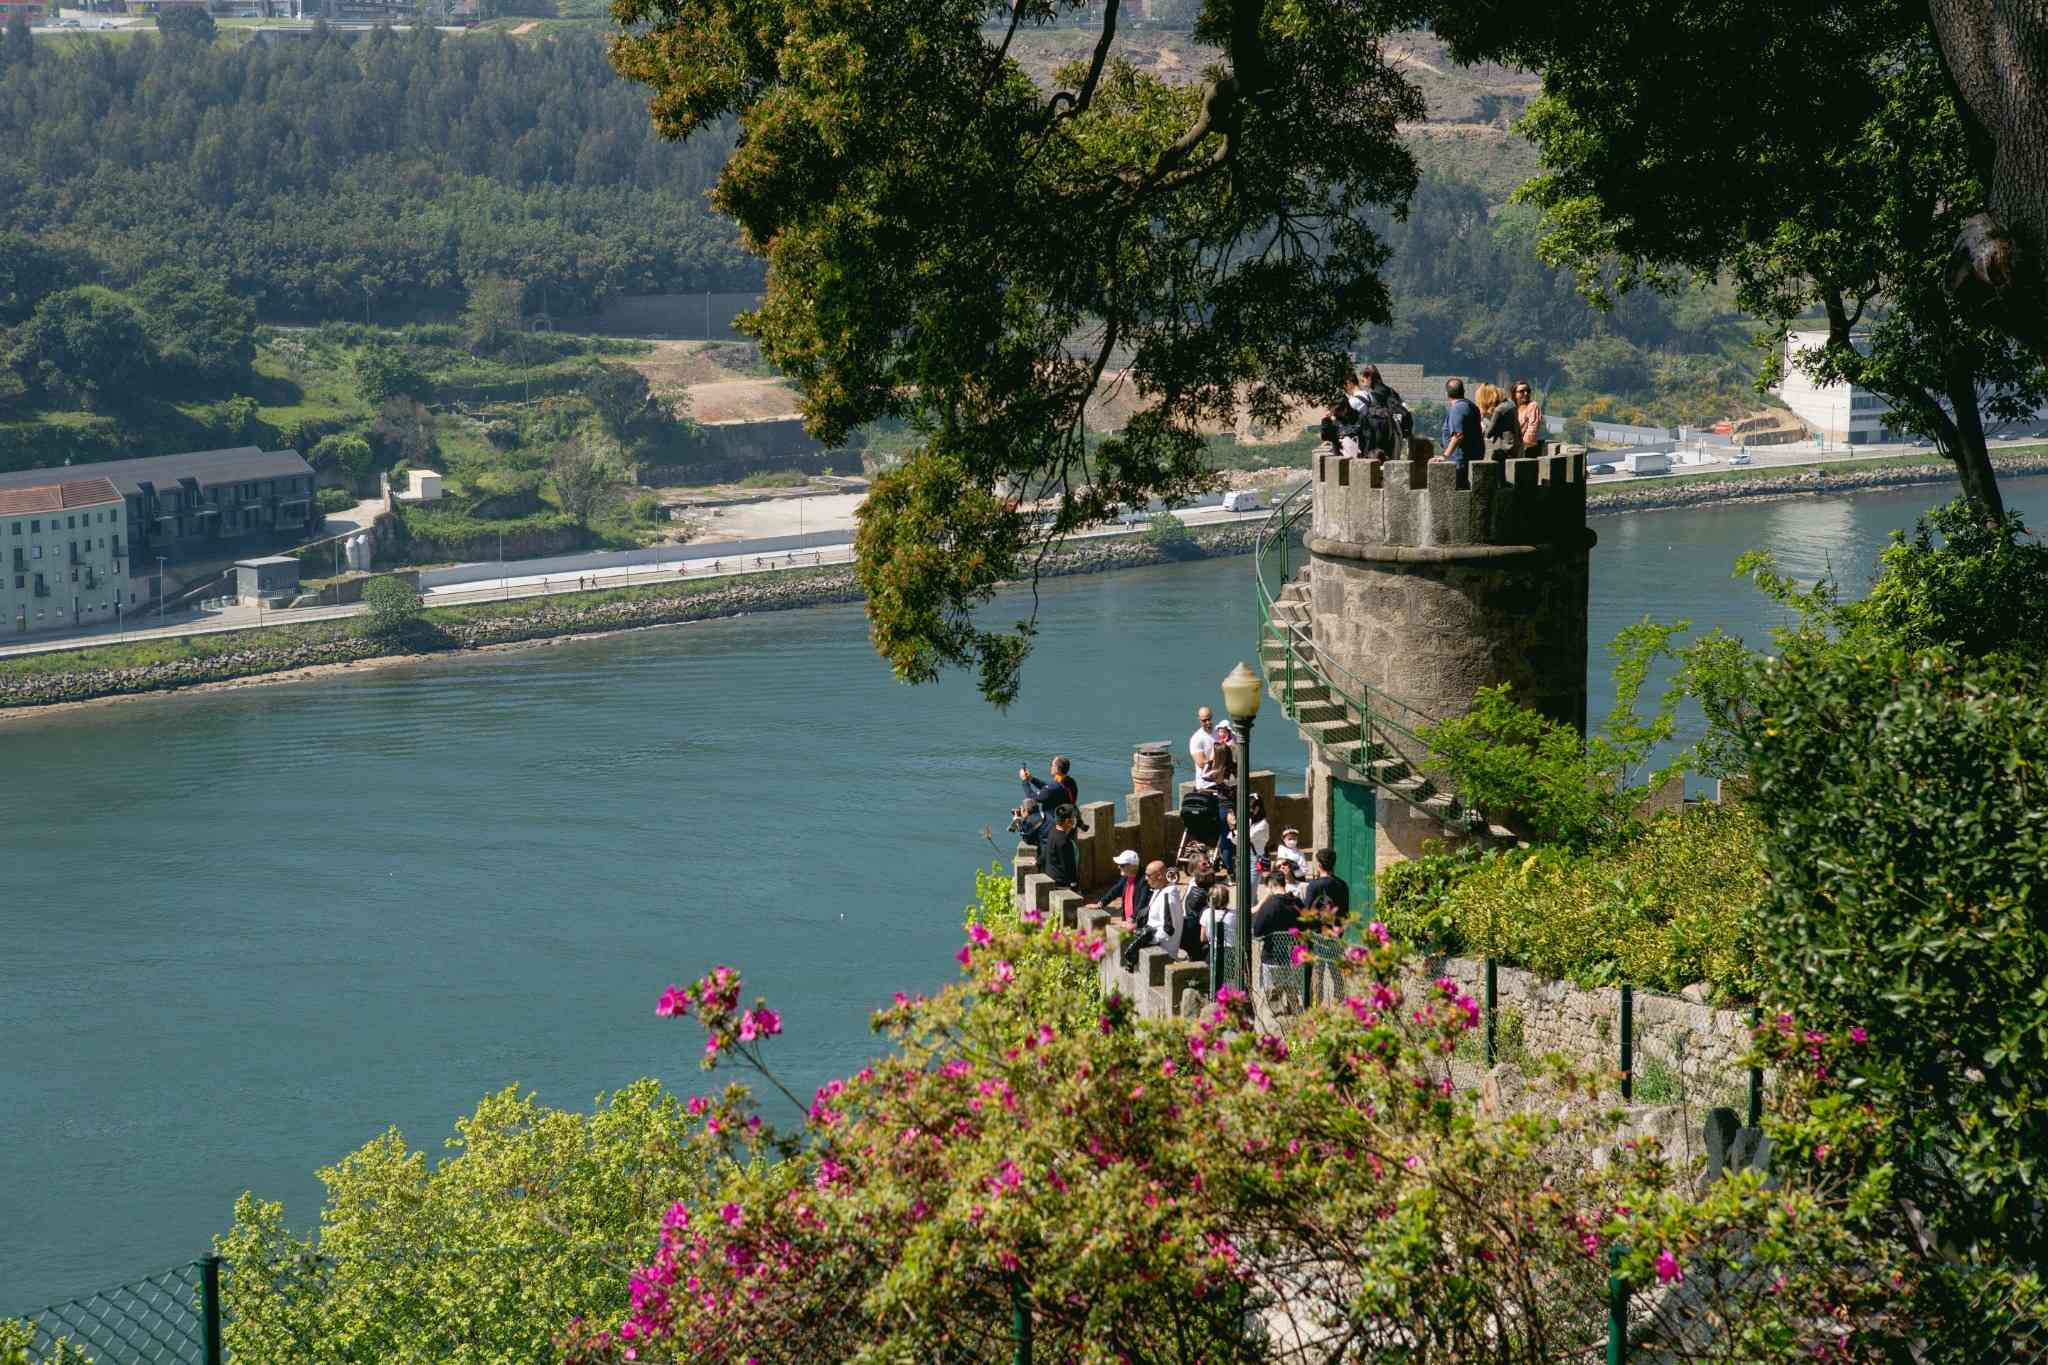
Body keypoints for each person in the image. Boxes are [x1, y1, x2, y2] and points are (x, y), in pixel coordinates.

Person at [1120, 859, 1187, 969]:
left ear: (1159, 876)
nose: (1146, 879)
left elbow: (1168, 929)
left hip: (1163, 954)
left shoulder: (1168, 896)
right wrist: (1137, 926)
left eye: (1148, 875)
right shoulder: (1159, 890)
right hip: (1156, 949)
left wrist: (1145, 940)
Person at [1301, 847, 1351, 927]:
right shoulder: (1343, 884)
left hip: (1318, 934)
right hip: (1336, 931)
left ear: (1319, 864)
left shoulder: (1313, 885)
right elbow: (1345, 913)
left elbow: (1306, 913)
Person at [1439, 378, 1483, 469]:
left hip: (1459, 461)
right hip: (1471, 457)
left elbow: (1458, 435)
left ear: (1447, 394)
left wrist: (1445, 456)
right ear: (1463, 391)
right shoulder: (1471, 406)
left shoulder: (1457, 409)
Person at [1249, 867, 1304, 939]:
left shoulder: (1269, 905)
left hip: (1273, 947)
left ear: (1270, 885)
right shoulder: (1297, 901)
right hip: (1295, 946)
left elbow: (1257, 931)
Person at [1096, 849, 1144, 924]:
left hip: (1138, 923)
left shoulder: (1144, 881)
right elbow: (1115, 890)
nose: (1119, 867)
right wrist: (1101, 903)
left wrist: (1133, 918)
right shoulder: (1127, 877)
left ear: (1132, 866)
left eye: (1122, 865)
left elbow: (1142, 903)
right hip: (1127, 920)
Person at [1476, 383, 1523, 461]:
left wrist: (1483, 418)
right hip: (1516, 446)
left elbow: (1488, 433)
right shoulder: (1510, 404)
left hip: (1504, 450)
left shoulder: (1499, 410)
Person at [1041, 805, 1080, 890]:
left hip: (1051, 877)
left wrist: (1037, 862)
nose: (1075, 819)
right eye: (1073, 817)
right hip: (1062, 883)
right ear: (1067, 821)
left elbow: (1045, 852)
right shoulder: (1065, 842)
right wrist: (1074, 884)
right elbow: (1069, 866)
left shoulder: (1052, 831)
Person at [1513, 381, 1545, 450]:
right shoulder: (1511, 407)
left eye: (1528, 391)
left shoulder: (1532, 406)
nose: (1526, 393)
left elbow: (1532, 428)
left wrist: (1523, 446)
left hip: (1523, 448)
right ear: (1514, 393)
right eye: (1522, 391)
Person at [1188, 707, 1217, 779]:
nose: (1208, 722)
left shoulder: (1220, 732)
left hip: (1221, 779)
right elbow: (1201, 764)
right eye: (1204, 720)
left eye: (1209, 719)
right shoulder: (1196, 738)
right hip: (1206, 783)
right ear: (1199, 720)